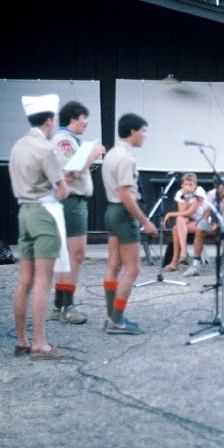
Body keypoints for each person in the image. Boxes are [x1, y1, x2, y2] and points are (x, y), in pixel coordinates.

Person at [9, 94, 72, 358]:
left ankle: (22, 340)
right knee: (44, 281)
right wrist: (66, 178)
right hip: (45, 213)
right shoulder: (45, 149)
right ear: (49, 121)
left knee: (25, 280)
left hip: (24, 211)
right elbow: (63, 192)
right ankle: (40, 344)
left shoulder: (18, 145)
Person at [101, 113, 158, 334]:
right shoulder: (126, 158)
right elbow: (126, 194)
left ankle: (110, 315)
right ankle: (117, 319)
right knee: (132, 268)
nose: (145, 135)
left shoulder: (113, 154)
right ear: (132, 132)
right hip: (123, 213)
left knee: (114, 265)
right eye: (143, 131)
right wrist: (145, 221)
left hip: (111, 211)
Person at [50, 101, 106, 324]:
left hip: (72, 201)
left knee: (69, 256)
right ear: (73, 119)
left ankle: (59, 305)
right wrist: (93, 155)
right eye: (84, 117)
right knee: (76, 254)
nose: (87, 122)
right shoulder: (64, 140)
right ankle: (66, 307)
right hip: (71, 201)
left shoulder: (69, 140)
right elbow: (70, 172)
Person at [182, 174, 224, 278]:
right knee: (199, 229)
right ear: (216, 186)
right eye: (222, 185)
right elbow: (206, 214)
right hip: (219, 223)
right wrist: (203, 224)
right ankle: (196, 265)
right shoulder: (211, 195)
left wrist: (220, 225)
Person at [162, 173, 206, 271]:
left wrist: (170, 214)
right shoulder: (180, 193)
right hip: (190, 220)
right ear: (182, 185)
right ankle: (183, 254)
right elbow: (182, 213)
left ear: (195, 185)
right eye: (186, 184)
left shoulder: (200, 192)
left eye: (191, 184)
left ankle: (176, 261)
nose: (188, 187)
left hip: (203, 221)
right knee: (179, 220)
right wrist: (186, 197)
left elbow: (190, 212)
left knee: (176, 229)